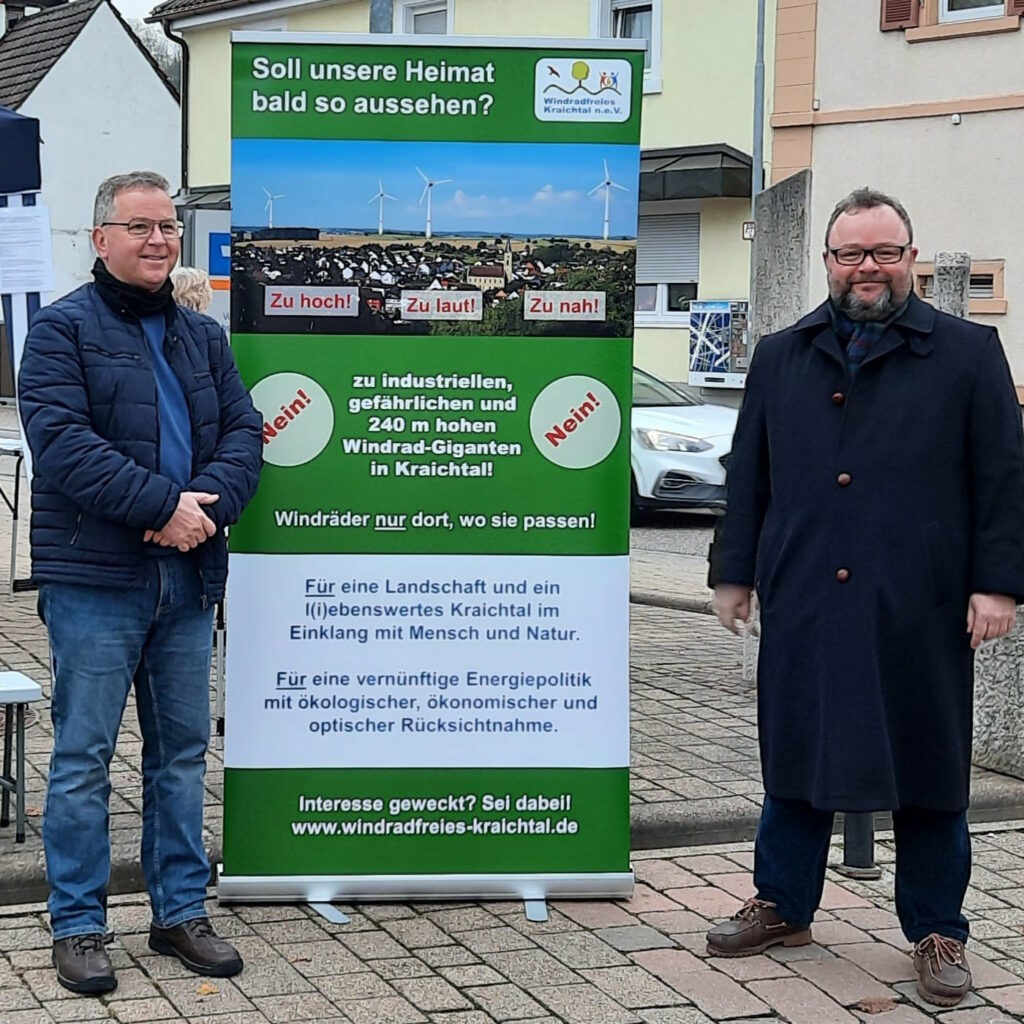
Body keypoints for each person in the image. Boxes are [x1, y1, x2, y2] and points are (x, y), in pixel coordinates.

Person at [706, 187, 1024, 1008]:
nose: (867, 268)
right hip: (806, 593)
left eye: (884, 252)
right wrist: (731, 571)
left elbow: (1002, 483)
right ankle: (784, 904)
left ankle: (936, 927)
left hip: (918, 602)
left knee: (928, 766)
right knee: (797, 755)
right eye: (851, 254)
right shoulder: (781, 353)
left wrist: (999, 584)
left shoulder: (967, 353)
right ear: (828, 262)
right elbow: (751, 475)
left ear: (911, 258)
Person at [18, 171, 263, 996]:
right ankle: (79, 925)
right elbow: (62, 445)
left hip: (186, 581)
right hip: (96, 580)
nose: (159, 240)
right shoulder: (59, 332)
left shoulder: (203, 337)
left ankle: (179, 913)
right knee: (85, 758)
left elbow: (243, 431)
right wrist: (164, 506)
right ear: (100, 239)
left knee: (181, 757)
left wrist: (207, 509)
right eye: (140, 227)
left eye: (168, 227)